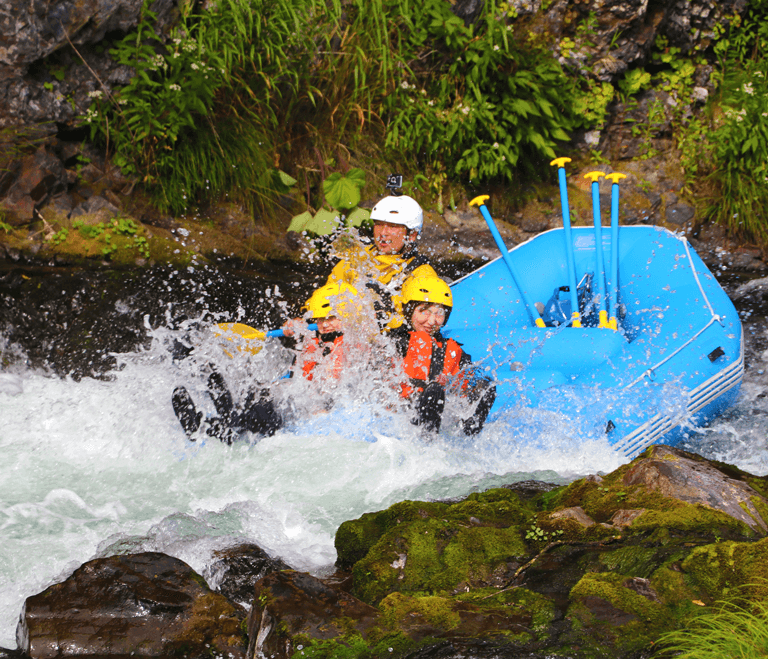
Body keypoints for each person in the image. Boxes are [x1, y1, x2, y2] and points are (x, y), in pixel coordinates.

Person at [171, 282, 363, 442]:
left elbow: (332, 385)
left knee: (251, 416)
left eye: (331, 318)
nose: (325, 323)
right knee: (251, 395)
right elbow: (301, 332)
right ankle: (205, 370)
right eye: (320, 318)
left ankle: (206, 427)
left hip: (304, 412)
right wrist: (295, 324)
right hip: (290, 399)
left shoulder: (353, 342)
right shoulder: (314, 333)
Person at [283, 193, 438, 336]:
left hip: (390, 342)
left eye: (392, 226)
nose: (383, 233)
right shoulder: (357, 259)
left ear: (412, 235)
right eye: (379, 224)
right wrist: (304, 319)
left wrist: (371, 319)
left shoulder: (421, 274)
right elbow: (328, 293)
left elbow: (418, 324)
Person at [389, 273, 496, 435]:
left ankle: (468, 441)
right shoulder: (393, 343)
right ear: (409, 311)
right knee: (433, 392)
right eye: (424, 311)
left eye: (439, 313)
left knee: (486, 387)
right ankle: (427, 445)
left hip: (439, 415)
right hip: (402, 416)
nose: (432, 321)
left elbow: (465, 383)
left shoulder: (452, 350)